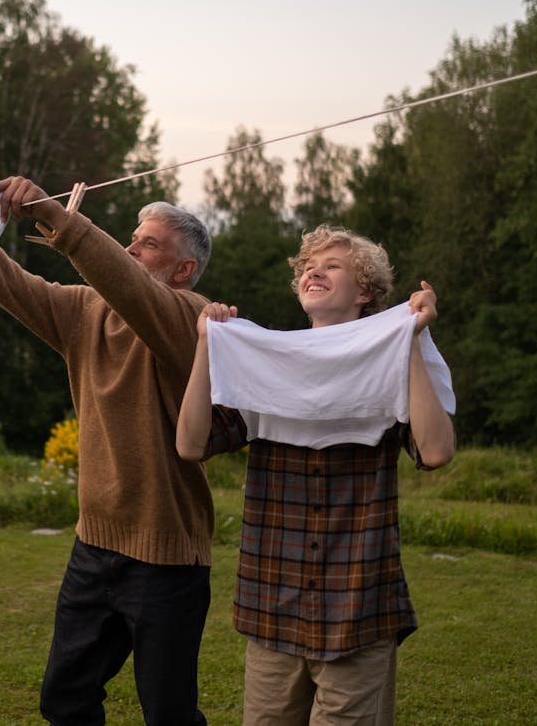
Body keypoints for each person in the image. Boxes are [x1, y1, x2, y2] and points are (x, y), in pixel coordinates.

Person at [0, 176, 215, 726]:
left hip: (168, 559)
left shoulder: (195, 321)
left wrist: (55, 216)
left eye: (149, 243)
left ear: (182, 270)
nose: (132, 247)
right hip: (94, 546)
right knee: (64, 700)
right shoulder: (84, 312)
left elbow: (129, 286)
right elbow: (6, 279)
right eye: (132, 238)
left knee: (169, 714)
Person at [175, 225, 456, 726]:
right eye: (307, 266)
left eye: (332, 265)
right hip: (272, 606)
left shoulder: (389, 356)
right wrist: (206, 345)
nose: (313, 271)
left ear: (365, 291)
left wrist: (407, 340)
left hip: (357, 608)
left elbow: (435, 451)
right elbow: (190, 444)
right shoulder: (265, 362)